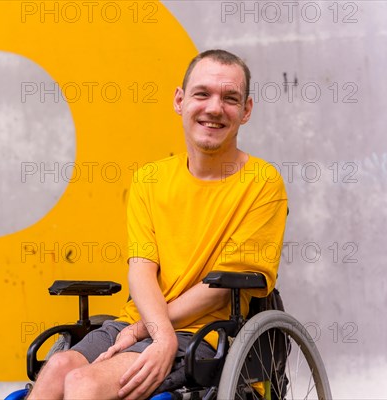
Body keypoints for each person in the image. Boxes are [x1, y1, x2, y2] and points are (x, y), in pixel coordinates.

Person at [27, 49, 288, 400]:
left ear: (246, 111)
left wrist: (156, 331)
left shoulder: (262, 182)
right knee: (57, 369)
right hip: (139, 322)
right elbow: (141, 270)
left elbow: (225, 285)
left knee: (83, 385)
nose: (214, 108)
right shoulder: (150, 179)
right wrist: (151, 330)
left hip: (205, 333)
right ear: (179, 101)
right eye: (202, 94)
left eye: (230, 98)